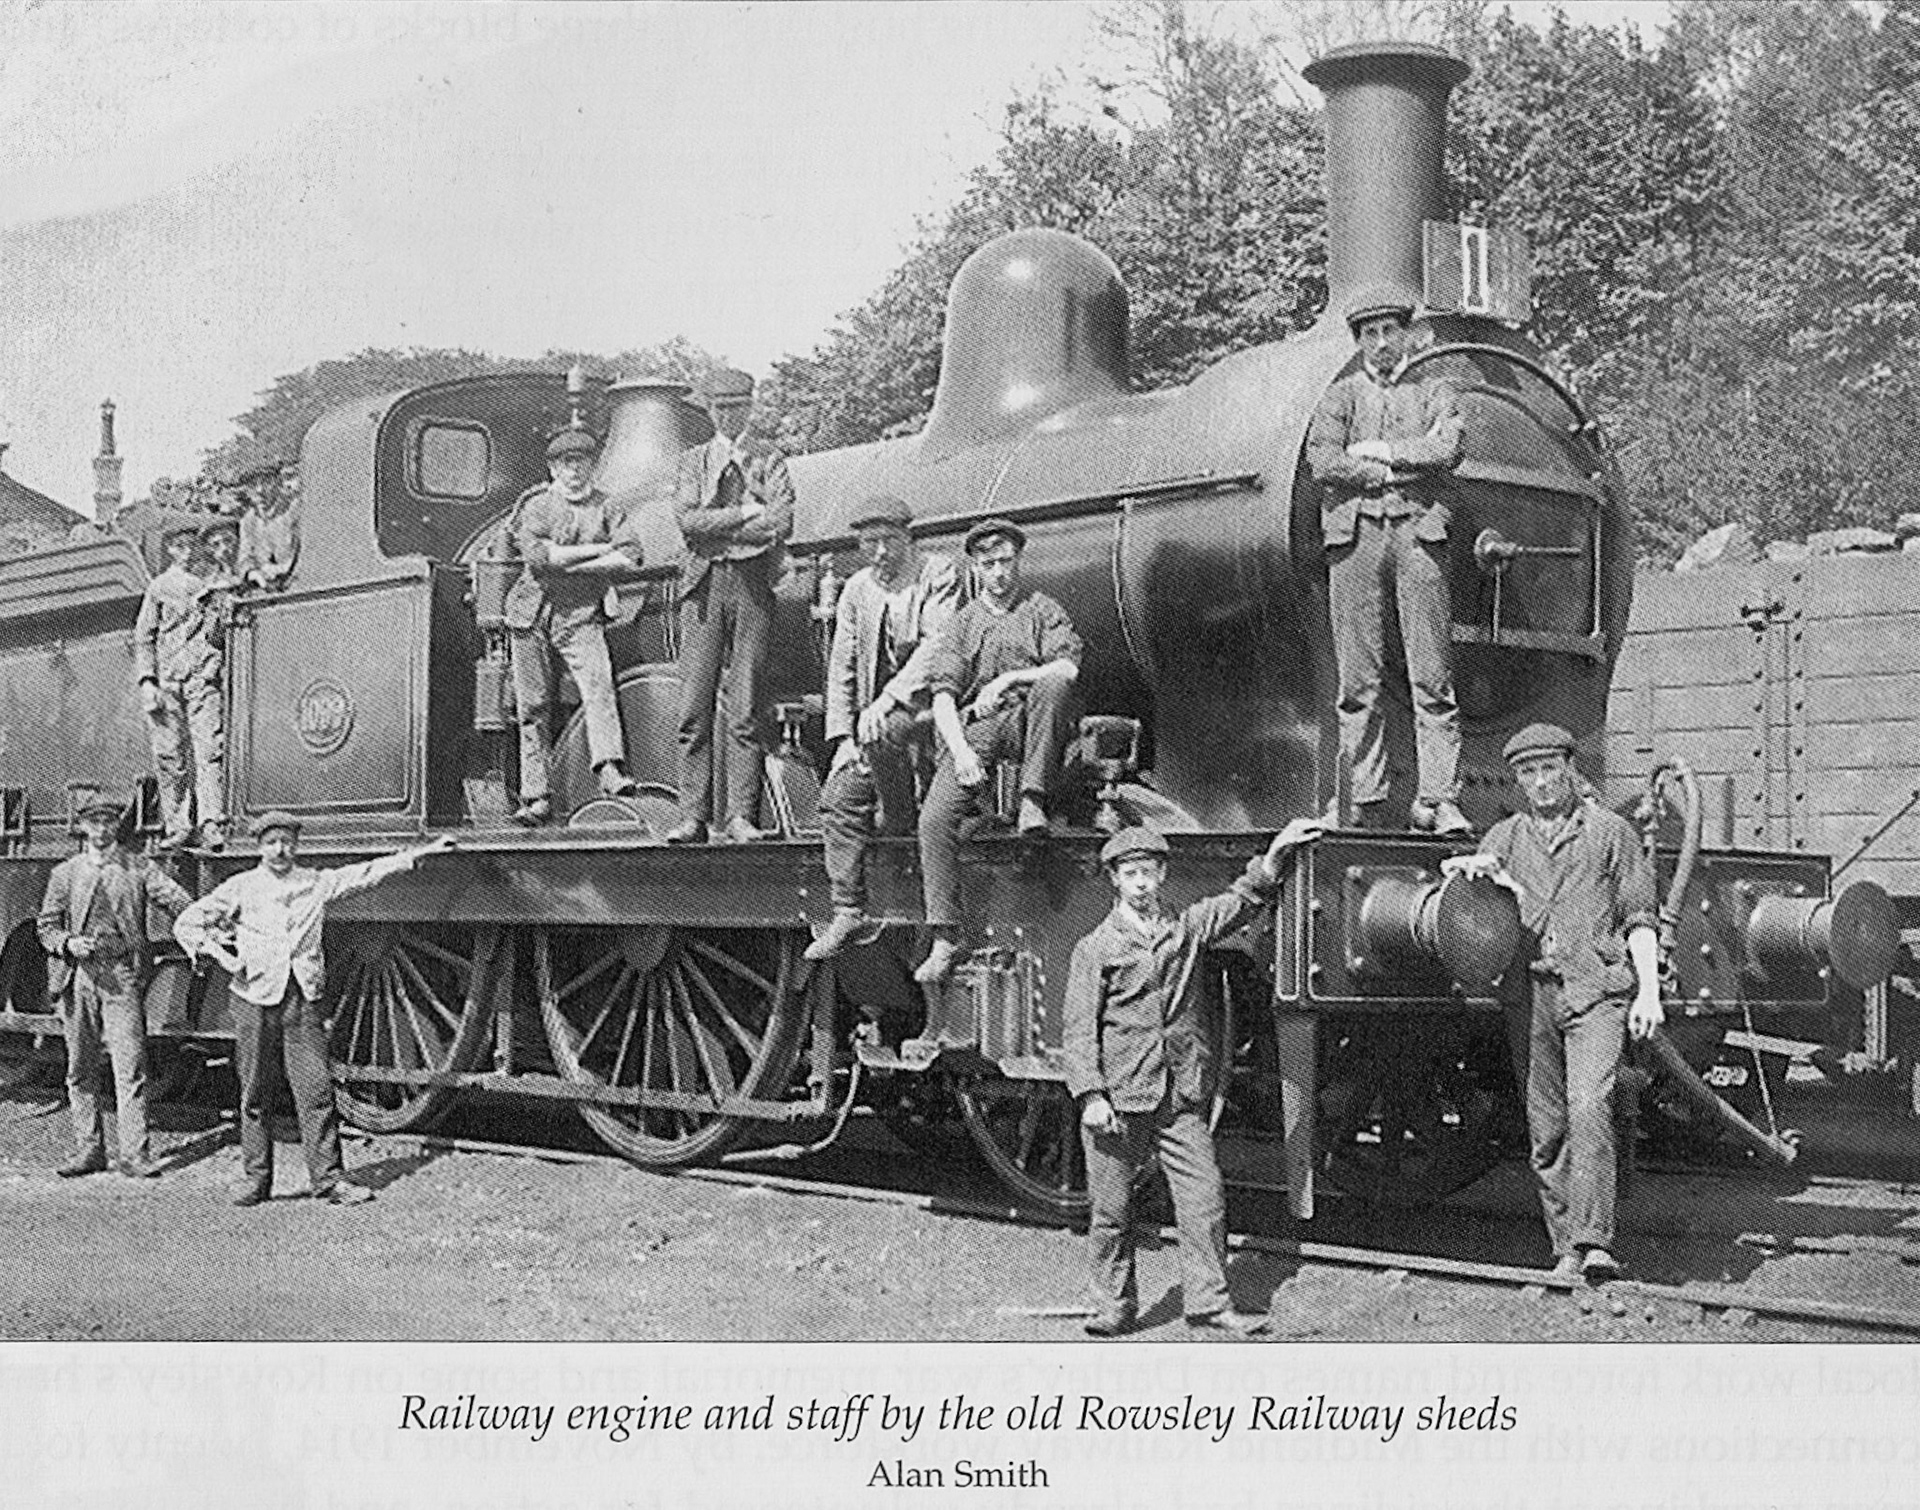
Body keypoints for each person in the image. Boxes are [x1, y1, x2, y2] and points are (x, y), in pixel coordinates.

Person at [1065, 817, 1326, 1337]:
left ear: (1162, 875)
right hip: (1119, 1095)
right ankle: (1114, 1307)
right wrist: (1092, 1095)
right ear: (1115, 880)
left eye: (1149, 872)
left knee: (1204, 1200)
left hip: (1179, 1093)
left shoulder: (1184, 930)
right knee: (1113, 1213)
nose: (1141, 883)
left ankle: (1208, 1303)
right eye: (1130, 873)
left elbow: (1241, 900)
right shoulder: (1094, 948)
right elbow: (1077, 1030)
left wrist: (1274, 854)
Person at [1443, 723, 1661, 1284]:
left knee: (1590, 1106)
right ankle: (1564, 1245)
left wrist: (1650, 992)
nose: (1540, 784)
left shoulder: (1612, 834)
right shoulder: (1505, 838)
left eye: (1549, 770)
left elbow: (1640, 917)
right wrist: (1466, 873)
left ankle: (1594, 1242)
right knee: (1547, 1125)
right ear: (1518, 780)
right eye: (1528, 774)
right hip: (1529, 994)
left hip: (1597, 992)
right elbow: (1474, 899)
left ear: (1569, 769)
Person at [173, 813, 456, 1206]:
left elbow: (364, 873)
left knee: (316, 1091)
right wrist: (223, 956)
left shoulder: (314, 883)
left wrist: (417, 854)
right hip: (254, 1000)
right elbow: (187, 923)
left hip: (301, 1000)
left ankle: (329, 1180)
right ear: (260, 847)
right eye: (272, 842)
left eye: (287, 842)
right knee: (254, 1092)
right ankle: (256, 1181)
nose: (280, 849)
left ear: (296, 846)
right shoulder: (241, 887)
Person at [1305, 285, 1469, 837]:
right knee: (1358, 682)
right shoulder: (1339, 397)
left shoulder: (1434, 391)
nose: (1380, 342)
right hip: (1355, 542)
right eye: (1370, 334)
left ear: (1405, 335)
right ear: (1359, 341)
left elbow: (1448, 449)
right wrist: (1392, 472)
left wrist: (1382, 453)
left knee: (1433, 678)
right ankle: (1359, 796)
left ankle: (1439, 798)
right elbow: (1324, 462)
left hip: (1419, 536)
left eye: (1389, 332)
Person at [913, 518, 1080, 984]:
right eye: (989, 564)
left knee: (1051, 685)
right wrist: (962, 753)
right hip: (982, 728)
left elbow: (1066, 667)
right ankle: (945, 934)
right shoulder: (963, 623)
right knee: (934, 821)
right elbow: (943, 697)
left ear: (1018, 561)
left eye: (1006, 562)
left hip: (1034, 725)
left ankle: (1033, 800)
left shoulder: (1041, 609)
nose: (1000, 573)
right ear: (975, 567)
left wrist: (1009, 679)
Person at [805, 495, 963, 962]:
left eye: (888, 541)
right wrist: (842, 739)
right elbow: (843, 667)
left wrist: (890, 697)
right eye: (869, 542)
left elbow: (939, 643)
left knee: (886, 733)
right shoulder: (857, 589)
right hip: (876, 732)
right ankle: (848, 907)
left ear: (907, 538)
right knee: (839, 798)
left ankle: (901, 819)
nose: (878, 552)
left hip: (930, 712)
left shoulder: (938, 573)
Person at [35, 793, 194, 1180]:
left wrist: (200, 921)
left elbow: (178, 900)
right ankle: (88, 1150)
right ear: (83, 827)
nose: (101, 829)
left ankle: (134, 1155)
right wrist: (68, 944)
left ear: (115, 827)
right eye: (94, 822)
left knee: (131, 1066)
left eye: (108, 822)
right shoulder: (66, 873)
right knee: (80, 1068)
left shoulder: (138, 867)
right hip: (79, 978)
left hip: (122, 975)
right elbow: (46, 927)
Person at [666, 368, 795, 845]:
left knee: (746, 705)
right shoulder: (691, 462)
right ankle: (692, 816)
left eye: (737, 407)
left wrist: (718, 527)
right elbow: (687, 523)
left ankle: (742, 815)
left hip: (752, 588)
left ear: (750, 408)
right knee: (693, 709)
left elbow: (780, 522)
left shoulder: (771, 460)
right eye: (720, 408)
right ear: (710, 411)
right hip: (702, 588)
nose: (729, 415)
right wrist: (744, 514)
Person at [502, 424, 644, 826]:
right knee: (533, 706)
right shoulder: (536, 505)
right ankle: (536, 794)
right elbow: (540, 558)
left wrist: (574, 558)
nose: (574, 471)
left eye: (581, 463)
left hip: (581, 613)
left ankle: (609, 768)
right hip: (531, 613)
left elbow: (632, 557)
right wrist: (602, 550)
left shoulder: (608, 506)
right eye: (566, 464)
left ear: (593, 467)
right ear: (553, 469)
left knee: (599, 688)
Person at [135, 510, 227, 849]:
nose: (186, 551)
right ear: (170, 550)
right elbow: (144, 637)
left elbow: (217, 636)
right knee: (169, 755)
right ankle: (178, 823)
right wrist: (147, 681)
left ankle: (212, 820)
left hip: (202, 679)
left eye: (191, 545)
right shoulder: (159, 588)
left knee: (209, 750)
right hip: (168, 681)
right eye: (179, 545)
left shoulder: (210, 586)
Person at [238, 461, 300, 592]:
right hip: (267, 590)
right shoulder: (248, 520)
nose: (259, 490)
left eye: (266, 482)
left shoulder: (295, 510)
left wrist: (282, 569)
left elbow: (308, 553)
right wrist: (252, 572)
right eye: (253, 484)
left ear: (278, 483)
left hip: (299, 585)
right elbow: (245, 557)